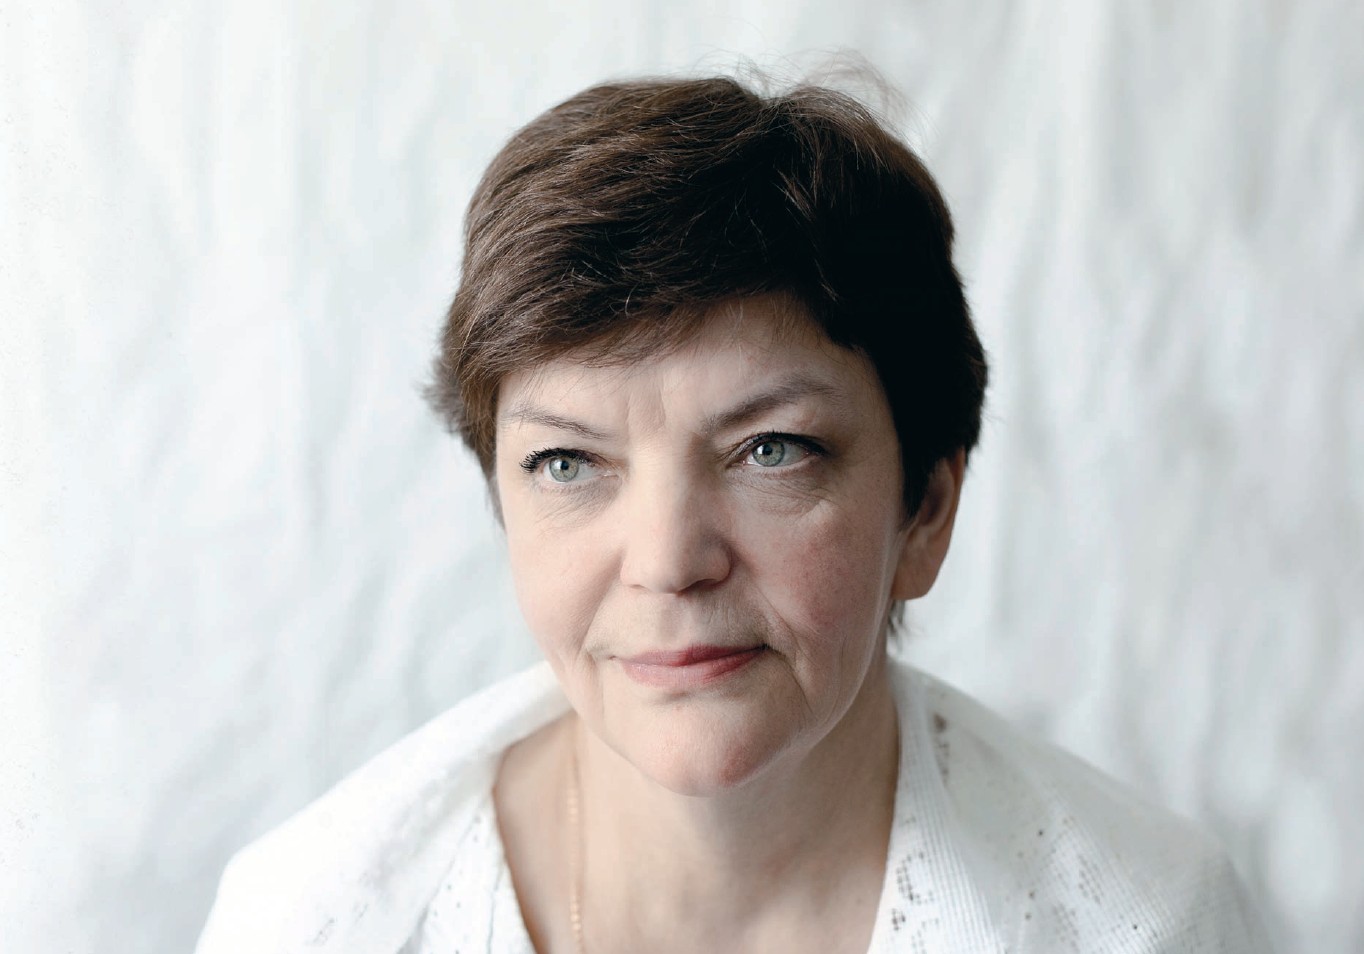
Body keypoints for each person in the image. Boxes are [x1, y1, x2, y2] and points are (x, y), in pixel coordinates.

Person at [195, 74, 1272, 953]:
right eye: (567, 462)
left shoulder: (1146, 925)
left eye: (771, 450)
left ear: (926, 512)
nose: (667, 562)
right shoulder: (311, 921)